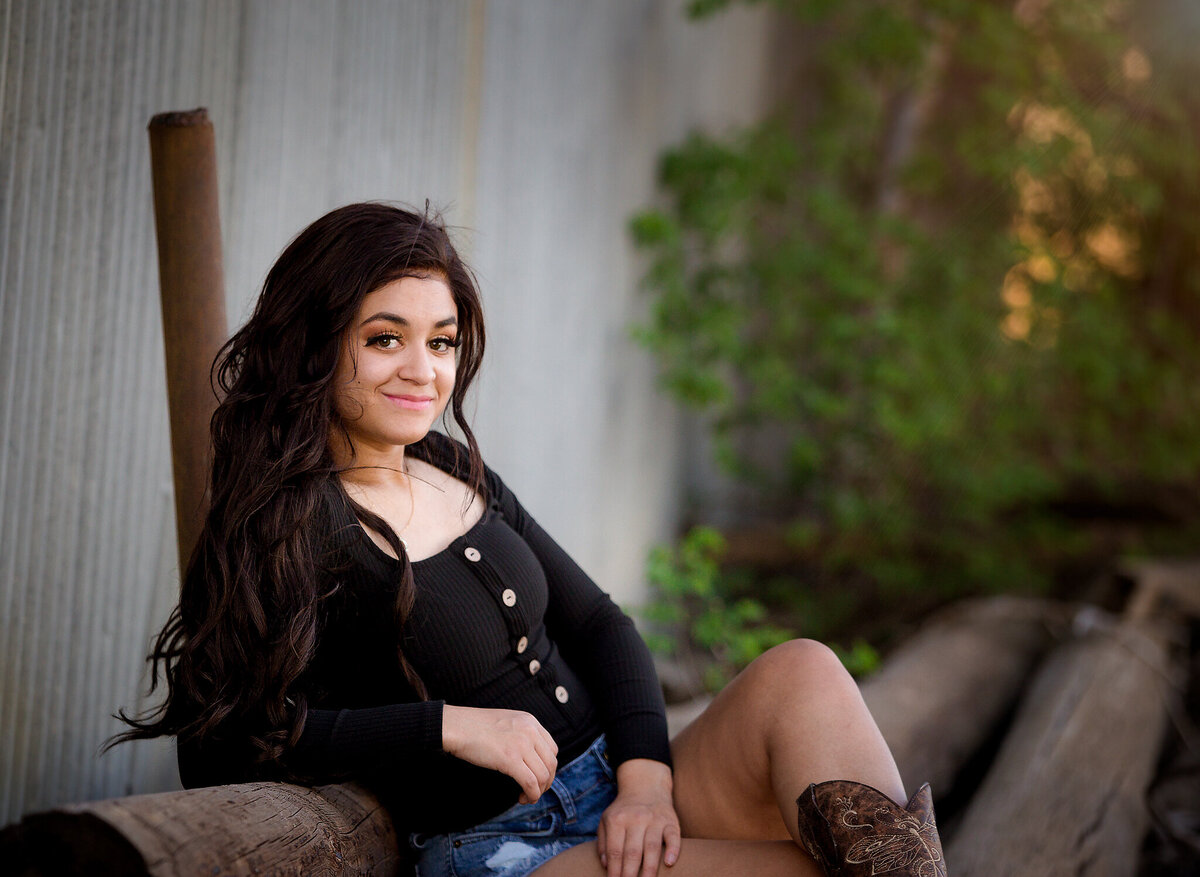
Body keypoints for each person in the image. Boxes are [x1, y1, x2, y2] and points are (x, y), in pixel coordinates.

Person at [112, 202, 946, 877]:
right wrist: (445, 727)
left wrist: (647, 782)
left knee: (804, 667)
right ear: (315, 343)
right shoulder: (290, 521)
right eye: (383, 338)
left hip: (620, 795)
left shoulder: (444, 460)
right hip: (507, 849)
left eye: (440, 340)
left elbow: (600, 623)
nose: (423, 369)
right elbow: (217, 741)